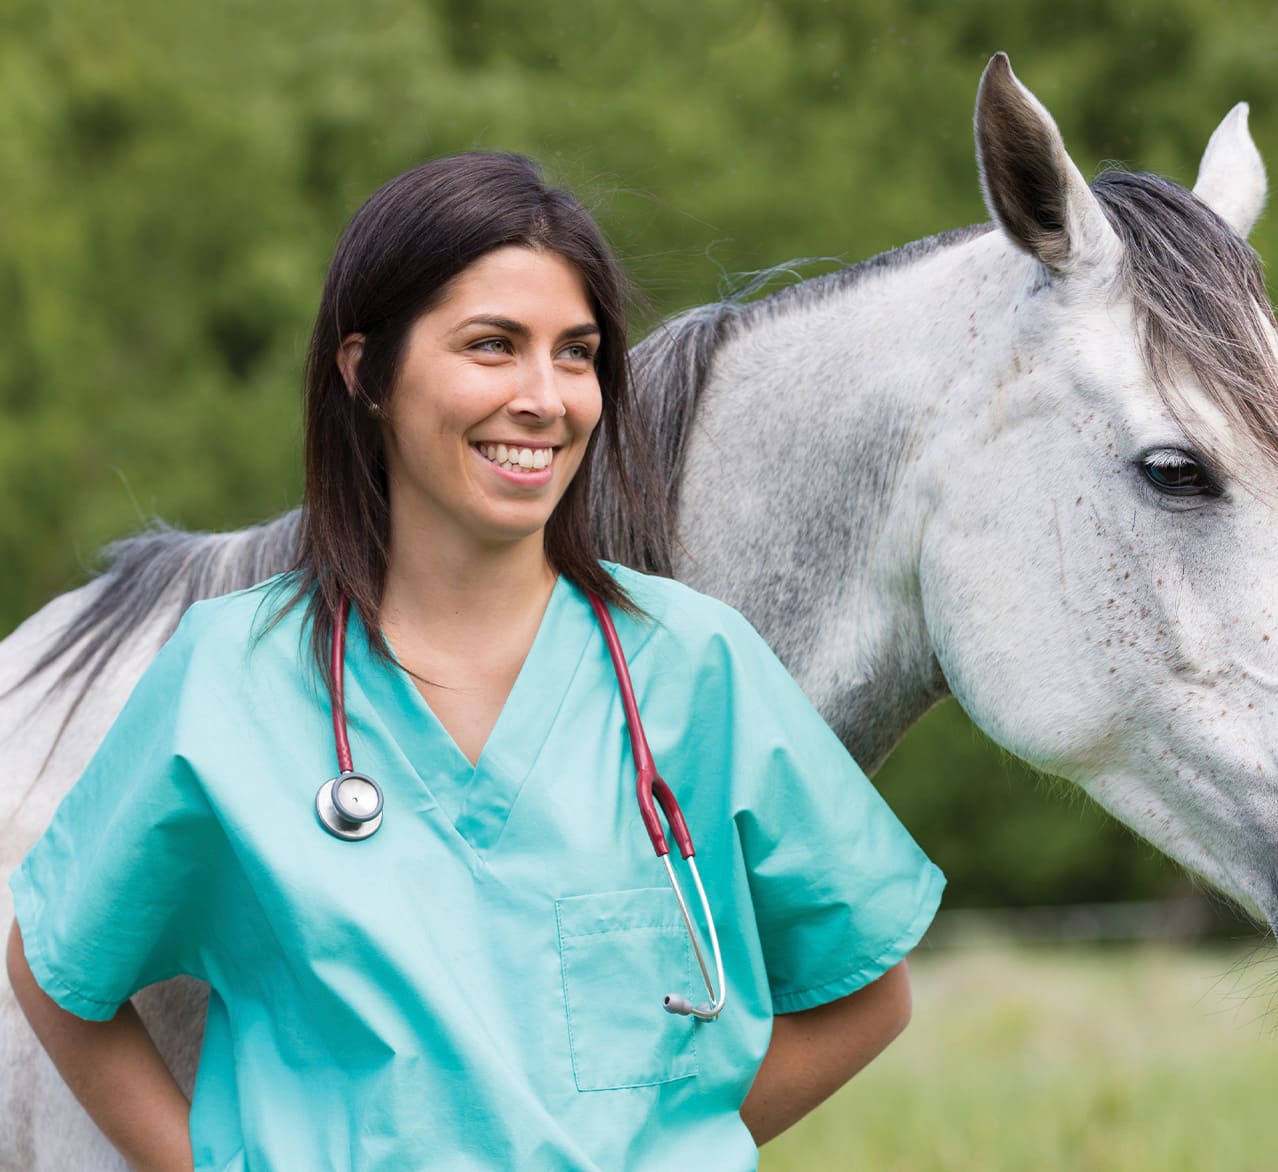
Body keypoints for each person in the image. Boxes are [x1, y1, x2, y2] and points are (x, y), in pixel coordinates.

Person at [6, 153, 944, 1170]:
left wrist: (661, 1145)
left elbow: (865, 991)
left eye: (576, 353)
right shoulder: (229, 675)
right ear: (365, 371)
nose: (545, 397)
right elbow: (57, 966)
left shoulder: (697, 667)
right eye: (493, 345)